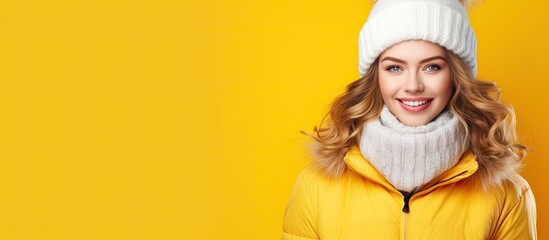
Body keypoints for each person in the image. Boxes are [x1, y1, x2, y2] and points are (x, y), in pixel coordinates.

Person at [281, 0, 537, 239]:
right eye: (394, 67)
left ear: (457, 74)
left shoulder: (507, 194)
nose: (412, 86)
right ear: (375, 76)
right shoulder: (315, 186)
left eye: (432, 67)